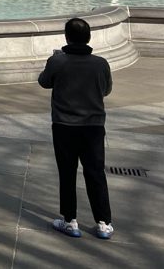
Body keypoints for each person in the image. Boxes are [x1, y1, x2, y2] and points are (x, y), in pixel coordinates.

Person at [38, 17, 115, 240]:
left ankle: (70, 220)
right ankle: (103, 223)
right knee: (96, 173)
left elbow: (44, 82)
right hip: (93, 126)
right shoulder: (101, 63)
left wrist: (52, 61)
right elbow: (106, 90)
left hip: (64, 126)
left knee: (67, 172)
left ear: (67, 37)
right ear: (88, 38)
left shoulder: (58, 62)